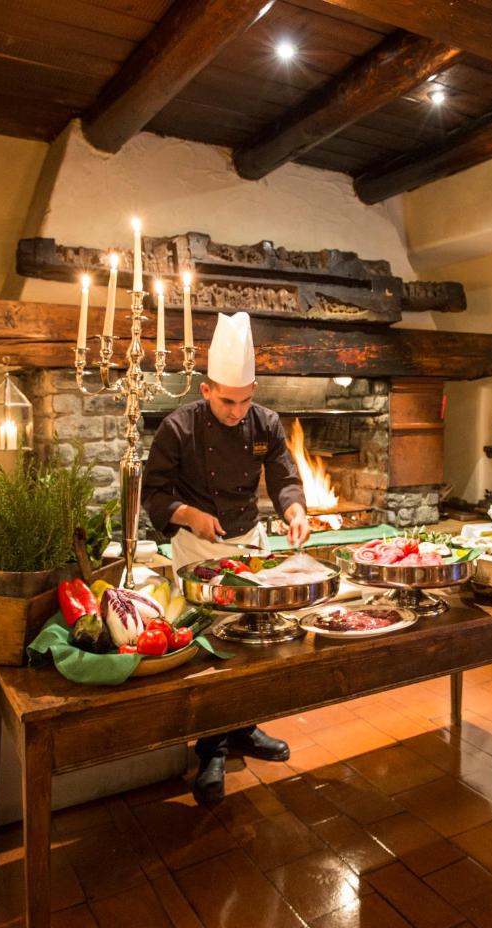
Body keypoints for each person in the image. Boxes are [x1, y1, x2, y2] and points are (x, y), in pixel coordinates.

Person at [142, 310, 311, 806]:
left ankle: (243, 728)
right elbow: (154, 495)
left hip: (251, 543)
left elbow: (283, 478)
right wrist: (189, 514)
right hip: (198, 548)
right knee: (213, 649)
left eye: (245, 400)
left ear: (254, 390)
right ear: (206, 390)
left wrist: (295, 511)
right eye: (226, 401)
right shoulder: (178, 428)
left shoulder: (266, 424)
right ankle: (211, 748)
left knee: (253, 642)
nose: (237, 411)